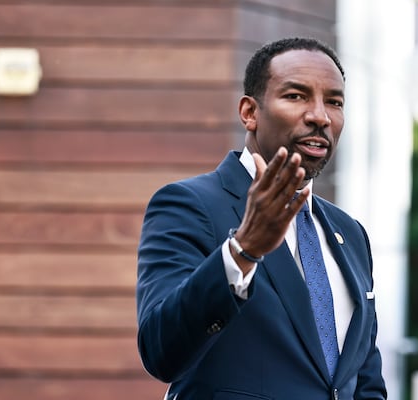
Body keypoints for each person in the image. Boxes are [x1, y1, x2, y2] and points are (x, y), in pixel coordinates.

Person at [136, 37, 387, 400]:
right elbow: (161, 352)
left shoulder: (349, 233)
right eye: (296, 96)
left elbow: (364, 381)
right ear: (250, 113)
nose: (320, 116)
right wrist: (242, 250)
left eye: (334, 102)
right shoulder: (189, 205)